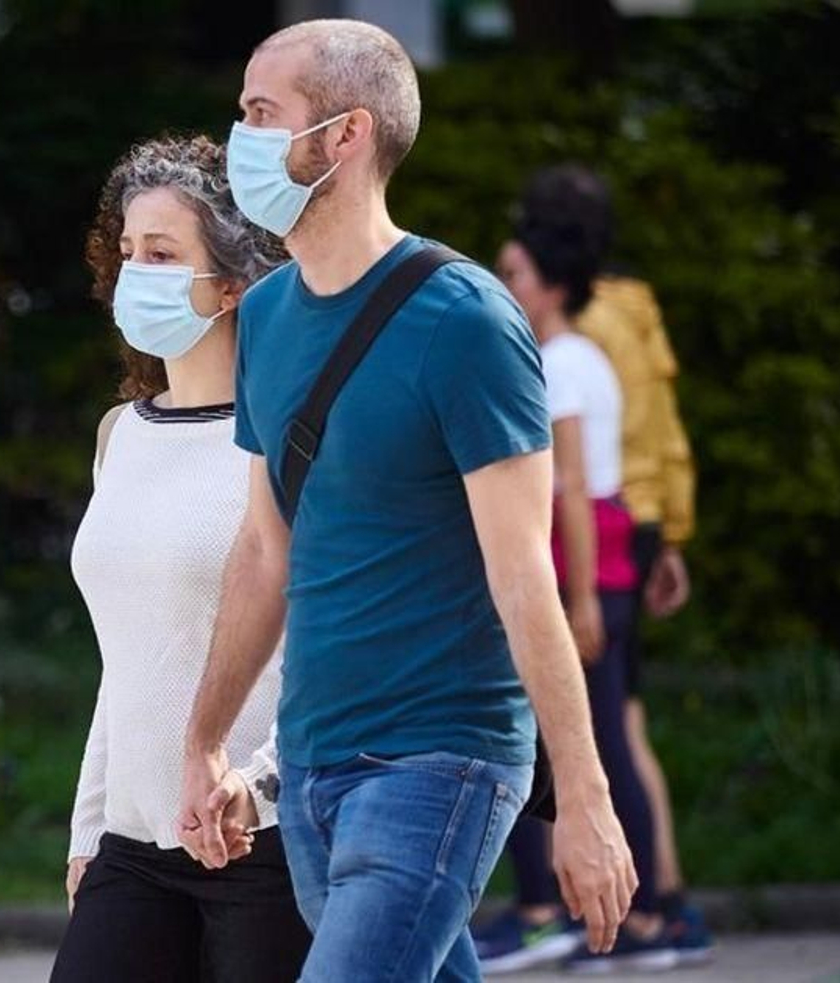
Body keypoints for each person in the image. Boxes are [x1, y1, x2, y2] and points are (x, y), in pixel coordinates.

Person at [172, 20, 636, 983]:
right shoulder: (267, 316)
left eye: (263, 113)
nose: (239, 139)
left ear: (346, 134)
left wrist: (586, 796)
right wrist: (207, 742)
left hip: (441, 760)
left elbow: (525, 574)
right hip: (314, 765)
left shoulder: (465, 320)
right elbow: (265, 550)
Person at [51, 135, 311, 983]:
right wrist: (90, 829)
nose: (136, 273)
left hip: (262, 840)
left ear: (232, 283)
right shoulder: (119, 434)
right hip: (134, 846)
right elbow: (125, 659)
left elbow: (320, 645)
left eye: (162, 254)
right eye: (128, 252)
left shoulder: (289, 438)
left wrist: (259, 785)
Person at [478, 213, 678, 973]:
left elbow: (571, 486)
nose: (505, 286)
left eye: (516, 274)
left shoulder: (557, 363)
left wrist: (583, 596)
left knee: (572, 744)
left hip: (579, 572)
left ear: (554, 286)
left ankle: (583, 913)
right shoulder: (588, 356)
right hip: (606, 565)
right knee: (607, 740)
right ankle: (634, 913)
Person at [527, 164, 711, 963]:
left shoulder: (575, 327)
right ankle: (662, 897)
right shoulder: (637, 309)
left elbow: (577, 457)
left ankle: (642, 905)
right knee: (620, 722)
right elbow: (661, 427)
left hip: (591, 529)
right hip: (633, 520)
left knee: (606, 726)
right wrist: (669, 530)